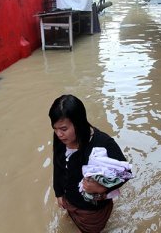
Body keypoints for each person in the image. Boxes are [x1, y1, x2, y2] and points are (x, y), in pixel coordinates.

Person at [48, 94, 131, 233]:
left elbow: (125, 173)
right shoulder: (62, 139)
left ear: (79, 124)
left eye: (63, 129)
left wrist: (103, 189)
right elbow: (58, 165)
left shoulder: (103, 143)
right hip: (69, 201)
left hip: (92, 212)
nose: (59, 134)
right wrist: (59, 193)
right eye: (55, 129)